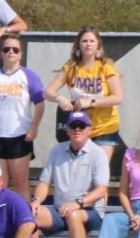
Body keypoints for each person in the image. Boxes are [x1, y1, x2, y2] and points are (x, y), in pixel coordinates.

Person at [31, 111, 109, 238]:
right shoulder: (56, 150)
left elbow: (101, 190)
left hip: (90, 212)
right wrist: (36, 200)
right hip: (60, 210)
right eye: (73, 126)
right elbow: (44, 183)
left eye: (82, 126)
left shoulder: (98, 153)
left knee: (74, 215)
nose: (77, 129)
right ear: (67, 130)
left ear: (90, 130)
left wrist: (78, 203)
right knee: (30, 215)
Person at [0, 33, 45, 199]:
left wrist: (34, 126)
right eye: (6, 49)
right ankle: (0, 222)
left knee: (21, 183)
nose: (10, 52)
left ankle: (26, 222)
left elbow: (40, 103)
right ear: (0, 53)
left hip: (19, 137)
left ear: (21, 53)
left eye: (15, 49)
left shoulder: (28, 75)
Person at [43, 27, 123, 166]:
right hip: (79, 128)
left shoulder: (106, 66)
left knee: (99, 171)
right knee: (79, 170)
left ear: (98, 44)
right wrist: (59, 98)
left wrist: (91, 102)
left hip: (104, 127)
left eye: (92, 41)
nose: (88, 44)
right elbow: (48, 91)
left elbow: (117, 97)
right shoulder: (71, 67)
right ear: (78, 44)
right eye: (84, 41)